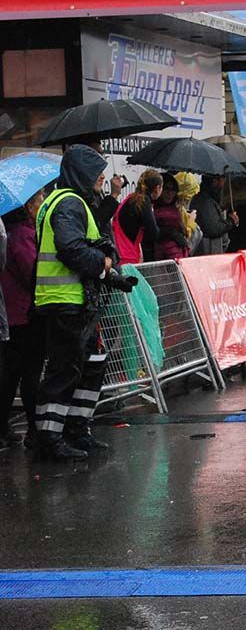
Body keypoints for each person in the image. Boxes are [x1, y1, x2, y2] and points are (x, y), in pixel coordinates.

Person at [34, 144, 130, 461]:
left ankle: (76, 430)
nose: (101, 178)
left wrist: (111, 274)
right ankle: (50, 438)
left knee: (89, 367)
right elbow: (71, 249)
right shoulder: (69, 203)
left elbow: (84, 246)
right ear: (81, 173)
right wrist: (103, 263)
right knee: (64, 371)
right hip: (65, 301)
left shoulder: (67, 202)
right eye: (96, 173)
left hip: (75, 301)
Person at [0, 191, 46, 449]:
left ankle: (4, 426)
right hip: (26, 314)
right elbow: (33, 273)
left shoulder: (11, 233)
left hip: (12, 314)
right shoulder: (23, 236)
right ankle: (34, 429)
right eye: (40, 200)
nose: (43, 203)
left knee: (11, 373)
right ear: (28, 207)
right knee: (29, 374)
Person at [112, 168, 161, 264]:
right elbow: (154, 234)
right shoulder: (144, 201)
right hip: (128, 256)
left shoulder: (130, 198)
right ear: (158, 188)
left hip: (119, 253)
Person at [190, 175, 239, 255]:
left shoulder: (208, 199)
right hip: (208, 251)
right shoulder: (205, 202)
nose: (224, 183)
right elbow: (214, 228)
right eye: (223, 180)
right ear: (215, 181)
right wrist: (231, 221)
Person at [152, 174, 193, 260]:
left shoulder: (175, 209)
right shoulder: (152, 209)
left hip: (177, 254)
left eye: (173, 190)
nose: (170, 193)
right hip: (165, 256)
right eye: (166, 189)